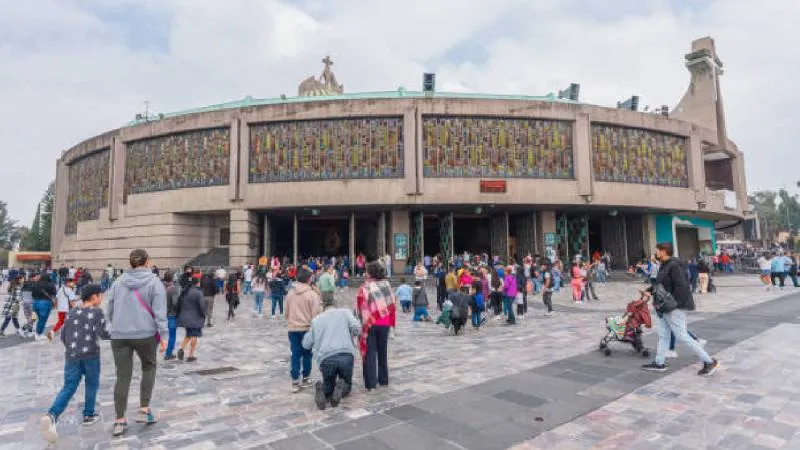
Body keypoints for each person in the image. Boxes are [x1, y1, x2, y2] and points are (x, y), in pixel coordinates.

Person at [106, 249, 168, 437]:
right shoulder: (154, 282)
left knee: (122, 376)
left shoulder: (118, 282)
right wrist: (164, 335)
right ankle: (144, 409)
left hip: (119, 335)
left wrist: (115, 326)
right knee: (149, 367)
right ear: (148, 261)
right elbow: (159, 312)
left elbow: (109, 308)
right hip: (145, 334)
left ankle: (119, 420)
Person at [39, 284, 110, 443]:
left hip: (71, 356)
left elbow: (63, 335)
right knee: (91, 383)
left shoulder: (72, 312)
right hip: (90, 355)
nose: (102, 298)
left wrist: (71, 349)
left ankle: (52, 415)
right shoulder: (97, 313)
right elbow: (103, 333)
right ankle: (89, 414)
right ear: (94, 297)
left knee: (69, 387)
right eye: (101, 295)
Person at [642, 242, 719, 376]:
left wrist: (675, 305)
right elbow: (660, 284)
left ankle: (708, 361)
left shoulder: (674, 266)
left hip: (674, 307)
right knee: (664, 335)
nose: (656, 253)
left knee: (682, 335)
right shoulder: (665, 265)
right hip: (665, 307)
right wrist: (649, 291)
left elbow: (681, 287)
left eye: (658, 251)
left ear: (664, 251)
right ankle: (659, 363)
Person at [302, 292, 361, 410]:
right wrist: (352, 335)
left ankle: (323, 391)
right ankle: (341, 387)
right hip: (346, 355)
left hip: (326, 358)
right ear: (335, 302)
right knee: (347, 384)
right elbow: (357, 328)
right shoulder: (345, 312)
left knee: (328, 384)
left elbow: (306, 344)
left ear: (322, 305)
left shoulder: (316, 320)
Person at [355, 261, 396, 391]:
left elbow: (360, 308)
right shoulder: (386, 285)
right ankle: (383, 380)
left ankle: (371, 383)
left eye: (366, 271)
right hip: (385, 323)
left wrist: (361, 323)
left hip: (370, 324)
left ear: (370, 272)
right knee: (382, 352)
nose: (365, 273)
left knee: (370, 353)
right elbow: (392, 304)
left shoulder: (364, 287)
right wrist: (391, 322)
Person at [285, 267, 320, 393]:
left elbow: (286, 312)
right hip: (307, 329)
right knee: (307, 354)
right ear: (309, 279)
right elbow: (316, 315)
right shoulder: (312, 294)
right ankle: (305, 378)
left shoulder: (290, 293)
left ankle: (295, 380)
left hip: (293, 328)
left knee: (295, 353)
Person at [176, 276, 206, 362]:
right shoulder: (198, 292)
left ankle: (181, 349)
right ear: (197, 283)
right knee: (194, 335)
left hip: (185, 317)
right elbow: (202, 306)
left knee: (188, 334)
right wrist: (204, 315)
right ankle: (191, 355)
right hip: (195, 318)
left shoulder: (185, 291)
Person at [28, 271, 57, 340]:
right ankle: (38, 334)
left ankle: (28, 330)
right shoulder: (51, 284)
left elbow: (33, 295)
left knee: (34, 317)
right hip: (45, 303)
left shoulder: (35, 284)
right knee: (42, 320)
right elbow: (54, 294)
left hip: (35, 302)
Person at [163, 272, 180, 361]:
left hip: (162, 314)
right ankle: (168, 353)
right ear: (172, 279)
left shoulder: (161, 287)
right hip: (172, 315)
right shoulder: (173, 289)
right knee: (172, 335)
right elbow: (175, 303)